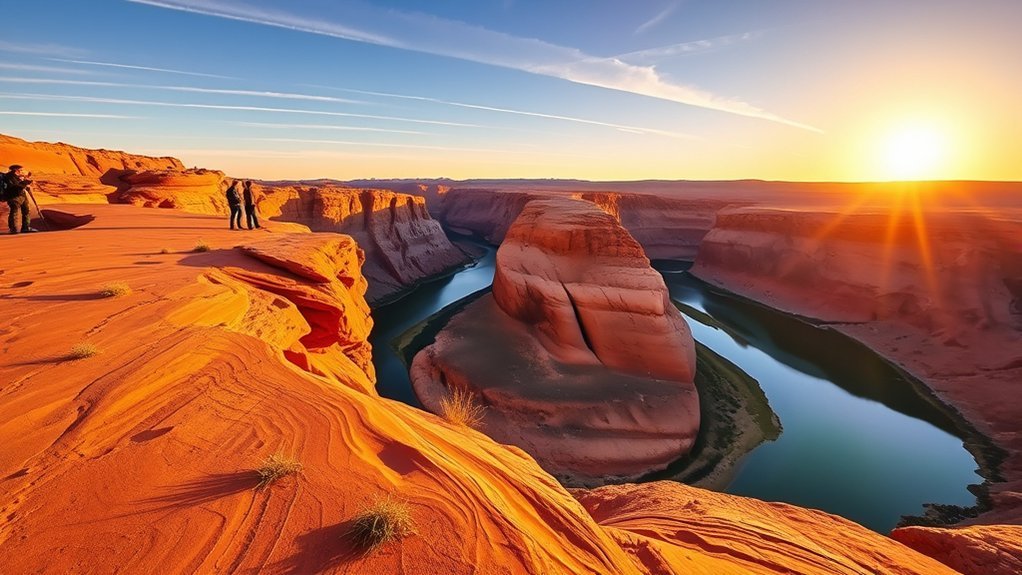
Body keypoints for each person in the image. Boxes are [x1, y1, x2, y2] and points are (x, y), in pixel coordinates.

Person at [4, 164, 36, 234]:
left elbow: (20, 185)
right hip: (14, 197)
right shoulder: (9, 176)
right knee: (14, 212)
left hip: (22, 196)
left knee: (26, 211)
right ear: (16, 170)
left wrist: (26, 181)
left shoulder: (16, 176)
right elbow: (16, 186)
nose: (21, 171)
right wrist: (25, 183)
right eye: (20, 170)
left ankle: (25, 227)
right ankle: (13, 228)